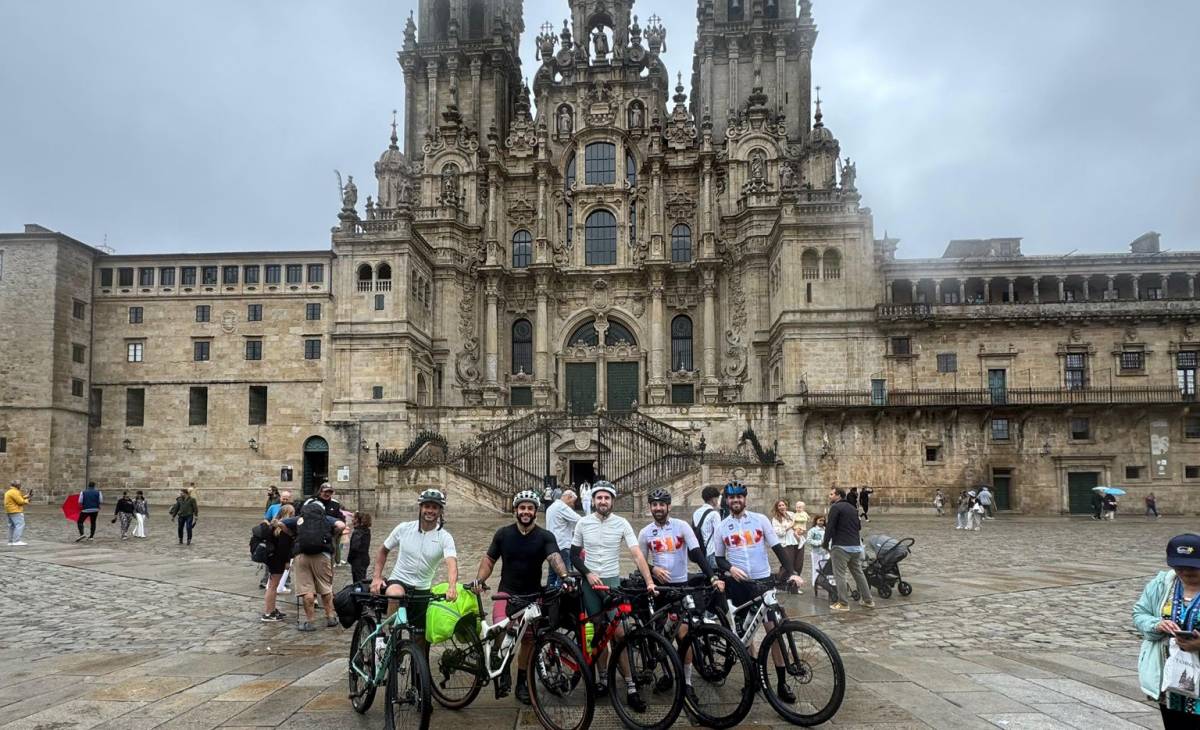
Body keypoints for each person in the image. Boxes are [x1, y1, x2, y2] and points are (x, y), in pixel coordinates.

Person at [473, 490, 570, 705]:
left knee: (527, 640)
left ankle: (522, 683)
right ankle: (504, 666)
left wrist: (564, 576)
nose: (526, 512)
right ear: (515, 510)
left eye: (530, 508)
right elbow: (489, 560)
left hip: (533, 596)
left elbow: (554, 557)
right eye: (522, 508)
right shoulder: (503, 534)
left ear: (536, 511)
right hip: (506, 593)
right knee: (500, 629)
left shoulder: (545, 536)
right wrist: (479, 580)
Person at [570, 480, 657, 710]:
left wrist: (649, 581)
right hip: (591, 584)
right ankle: (602, 679)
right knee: (599, 630)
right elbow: (574, 555)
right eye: (599, 497)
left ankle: (630, 685)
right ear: (593, 500)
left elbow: (637, 554)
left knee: (618, 633)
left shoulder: (622, 523)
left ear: (612, 501)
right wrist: (587, 574)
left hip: (611, 582)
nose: (602, 501)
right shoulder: (583, 522)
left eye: (606, 498)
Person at [713, 480, 804, 702]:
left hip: (762, 581)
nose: (735, 500)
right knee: (747, 635)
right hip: (739, 584)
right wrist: (730, 568)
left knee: (774, 631)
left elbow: (778, 548)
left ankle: (782, 683)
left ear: (745, 499)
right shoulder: (722, 526)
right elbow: (718, 558)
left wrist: (792, 572)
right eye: (731, 497)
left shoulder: (760, 520)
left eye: (739, 497)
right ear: (727, 500)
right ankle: (752, 678)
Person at [638, 488, 722, 708]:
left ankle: (686, 683)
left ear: (668, 507)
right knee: (660, 636)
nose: (658, 508)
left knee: (684, 635)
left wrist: (712, 576)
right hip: (659, 590)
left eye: (661, 504)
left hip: (681, 586)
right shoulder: (646, 532)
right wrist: (653, 569)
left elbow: (696, 553)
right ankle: (666, 672)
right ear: (650, 507)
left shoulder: (682, 526)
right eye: (654, 504)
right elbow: (640, 563)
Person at [371, 489, 459, 646]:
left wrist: (452, 586)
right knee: (396, 594)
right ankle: (392, 638)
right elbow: (383, 550)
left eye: (434, 507)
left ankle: (419, 667)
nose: (430, 510)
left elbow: (451, 563)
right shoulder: (404, 528)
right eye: (427, 506)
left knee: (421, 638)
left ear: (440, 511)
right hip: (399, 580)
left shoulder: (444, 537)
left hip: (422, 588)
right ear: (420, 507)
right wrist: (377, 577)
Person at [1132, 533, 1200, 727]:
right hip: (1170, 677)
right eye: (1180, 567)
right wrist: (1156, 624)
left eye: (1193, 567)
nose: (1186, 572)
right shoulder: (1163, 584)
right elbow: (1140, 613)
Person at [282, 500, 345, 631]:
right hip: (322, 555)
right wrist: (332, 535)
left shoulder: (300, 519)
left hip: (301, 555)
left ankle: (310, 622)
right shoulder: (326, 519)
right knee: (326, 588)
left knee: (307, 590)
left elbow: (280, 523)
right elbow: (341, 525)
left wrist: (292, 534)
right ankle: (331, 617)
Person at [822, 487, 872, 611]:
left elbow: (830, 527)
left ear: (838, 495)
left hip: (841, 547)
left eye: (831, 494)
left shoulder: (835, 507)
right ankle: (868, 600)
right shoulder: (853, 508)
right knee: (858, 573)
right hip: (855, 546)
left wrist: (825, 542)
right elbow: (859, 526)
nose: (829, 496)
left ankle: (843, 603)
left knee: (840, 575)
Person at [259, 504, 296, 622]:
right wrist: (286, 562)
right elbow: (283, 548)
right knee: (273, 587)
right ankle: (268, 613)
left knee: (272, 586)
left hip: (271, 559)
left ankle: (272, 609)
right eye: (292, 514)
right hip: (278, 560)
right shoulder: (283, 529)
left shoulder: (273, 525)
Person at [544, 489, 580, 588]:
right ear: (568, 497)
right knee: (564, 575)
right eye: (573, 501)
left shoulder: (551, 507)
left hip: (551, 547)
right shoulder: (562, 507)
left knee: (552, 575)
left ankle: (549, 595)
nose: (573, 505)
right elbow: (579, 520)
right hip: (562, 546)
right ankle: (561, 598)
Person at [769, 499, 802, 594]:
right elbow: (779, 533)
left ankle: (794, 587)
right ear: (777, 508)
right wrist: (789, 526)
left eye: (783, 505)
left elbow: (799, 523)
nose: (782, 507)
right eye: (779, 505)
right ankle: (777, 583)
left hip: (797, 542)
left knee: (798, 565)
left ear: (786, 506)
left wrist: (799, 529)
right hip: (785, 544)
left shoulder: (791, 514)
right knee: (787, 565)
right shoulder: (775, 519)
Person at [692, 485, 722, 571]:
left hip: (700, 552)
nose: (718, 501)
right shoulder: (714, 514)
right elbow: (718, 535)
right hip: (711, 551)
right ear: (713, 499)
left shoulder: (696, 512)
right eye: (717, 498)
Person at [347, 512, 373, 584]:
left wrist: (350, 558)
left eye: (354, 518)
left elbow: (354, 548)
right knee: (361, 580)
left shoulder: (358, 532)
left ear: (358, 520)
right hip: (364, 559)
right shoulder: (366, 530)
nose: (352, 520)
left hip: (358, 561)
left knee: (358, 582)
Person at [5, 480, 31, 546]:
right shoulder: (15, 492)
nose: (20, 486)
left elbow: (18, 498)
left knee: (12, 526)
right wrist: (27, 500)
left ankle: (10, 541)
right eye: (20, 485)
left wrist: (26, 496)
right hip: (16, 511)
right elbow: (20, 502)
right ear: (17, 486)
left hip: (10, 511)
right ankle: (16, 541)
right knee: (20, 525)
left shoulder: (10, 491)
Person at [806, 516, 828, 587]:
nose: (821, 522)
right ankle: (815, 583)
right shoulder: (813, 530)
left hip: (826, 551)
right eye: (820, 520)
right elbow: (809, 540)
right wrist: (819, 543)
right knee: (816, 567)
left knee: (825, 567)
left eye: (823, 521)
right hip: (816, 551)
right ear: (816, 521)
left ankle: (823, 582)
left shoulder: (826, 529)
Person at [791, 500, 810, 582]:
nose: (798, 508)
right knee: (795, 534)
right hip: (796, 527)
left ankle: (801, 541)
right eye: (797, 507)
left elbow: (805, 519)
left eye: (800, 507)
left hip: (801, 527)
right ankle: (801, 540)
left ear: (803, 508)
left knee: (796, 534)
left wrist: (795, 520)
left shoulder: (803, 514)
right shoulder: (795, 514)